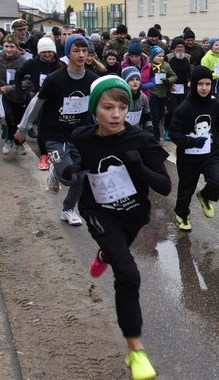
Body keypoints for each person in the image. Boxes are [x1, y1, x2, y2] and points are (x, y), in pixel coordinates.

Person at [69, 75, 170, 380]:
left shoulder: (141, 139)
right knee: (127, 273)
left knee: (116, 254)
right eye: (107, 107)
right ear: (94, 108)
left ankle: (103, 256)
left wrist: (139, 167)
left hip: (134, 215)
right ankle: (136, 351)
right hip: (99, 213)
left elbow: (165, 186)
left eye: (122, 107)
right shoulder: (82, 138)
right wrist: (68, 170)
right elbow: (67, 165)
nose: (115, 115)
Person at [14, 35, 100, 227]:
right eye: (76, 50)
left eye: (84, 50)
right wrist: (23, 127)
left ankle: (68, 210)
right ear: (67, 53)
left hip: (80, 136)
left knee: (82, 177)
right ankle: (56, 170)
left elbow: (96, 108)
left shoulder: (93, 80)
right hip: (55, 135)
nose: (81, 54)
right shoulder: (55, 79)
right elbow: (36, 103)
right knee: (70, 177)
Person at [168, 66, 219, 232]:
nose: (204, 88)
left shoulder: (214, 105)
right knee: (186, 190)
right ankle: (182, 215)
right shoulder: (184, 108)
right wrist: (192, 142)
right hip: (189, 156)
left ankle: (205, 196)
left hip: (211, 154)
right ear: (193, 84)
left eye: (208, 84)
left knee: (218, 180)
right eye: (200, 84)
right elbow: (174, 134)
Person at [15, 36, 65, 169]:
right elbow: (19, 74)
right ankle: (43, 155)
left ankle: (57, 153)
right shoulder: (32, 63)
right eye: (44, 52)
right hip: (40, 99)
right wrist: (19, 92)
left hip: (57, 101)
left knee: (57, 127)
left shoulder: (60, 65)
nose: (47, 55)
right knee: (41, 127)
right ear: (39, 52)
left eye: (50, 51)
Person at [0, 34, 28, 155]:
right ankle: (8, 140)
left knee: (18, 120)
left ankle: (18, 143)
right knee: (5, 116)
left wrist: (11, 88)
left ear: (17, 47)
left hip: (17, 94)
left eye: (12, 47)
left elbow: (28, 81)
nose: (9, 49)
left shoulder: (23, 61)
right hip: (0, 92)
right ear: (2, 46)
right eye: (6, 46)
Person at [165, 37, 192, 140]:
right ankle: (167, 129)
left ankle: (179, 130)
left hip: (184, 88)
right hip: (171, 88)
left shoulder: (188, 58)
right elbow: (165, 73)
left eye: (182, 47)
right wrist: (168, 85)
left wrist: (189, 81)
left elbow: (191, 71)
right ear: (174, 48)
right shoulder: (168, 57)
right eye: (178, 47)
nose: (180, 49)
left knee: (182, 110)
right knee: (172, 110)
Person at [148, 46, 177, 141]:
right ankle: (156, 138)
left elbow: (174, 76)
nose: (161, 58)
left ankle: (150, 129)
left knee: (161, 114)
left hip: (163, 93)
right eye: (158, 56)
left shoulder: (165, 66)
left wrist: (168, 80)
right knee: (155, 117)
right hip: (152, 93)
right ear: (153, 56)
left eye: (162, 56)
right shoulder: (148, 66)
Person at [122, 66, 153, 132]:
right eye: (132, 80)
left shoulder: (143, 97)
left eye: (137, 79)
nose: (135, 82)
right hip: (121, 132)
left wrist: (149, 127)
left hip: (137, 131)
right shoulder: (120, 97)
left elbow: (147, 116)